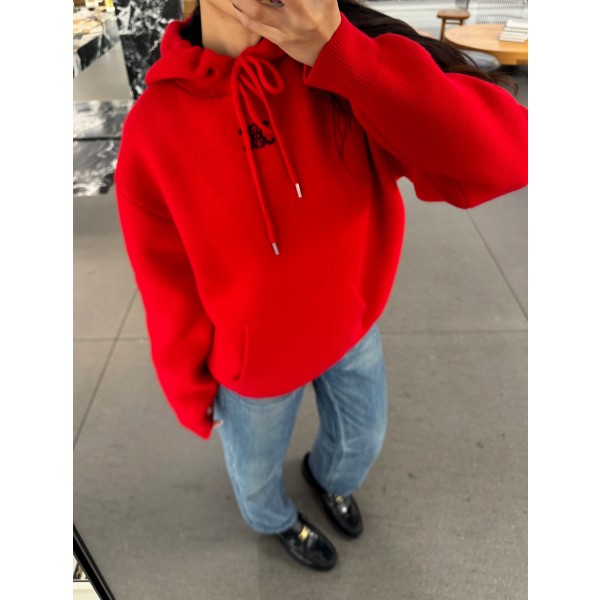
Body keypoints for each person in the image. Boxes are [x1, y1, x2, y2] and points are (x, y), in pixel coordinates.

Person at [114, 0, 527, 571]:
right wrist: (189, 388)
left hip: (351, 329)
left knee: (362, 442)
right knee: (255, 476)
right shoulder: (154, 127)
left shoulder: (342, 68)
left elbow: (508, 155)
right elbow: (166, 281)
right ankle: (276, 521)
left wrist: (350, 60)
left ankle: (328, 480)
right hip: (253, 367)